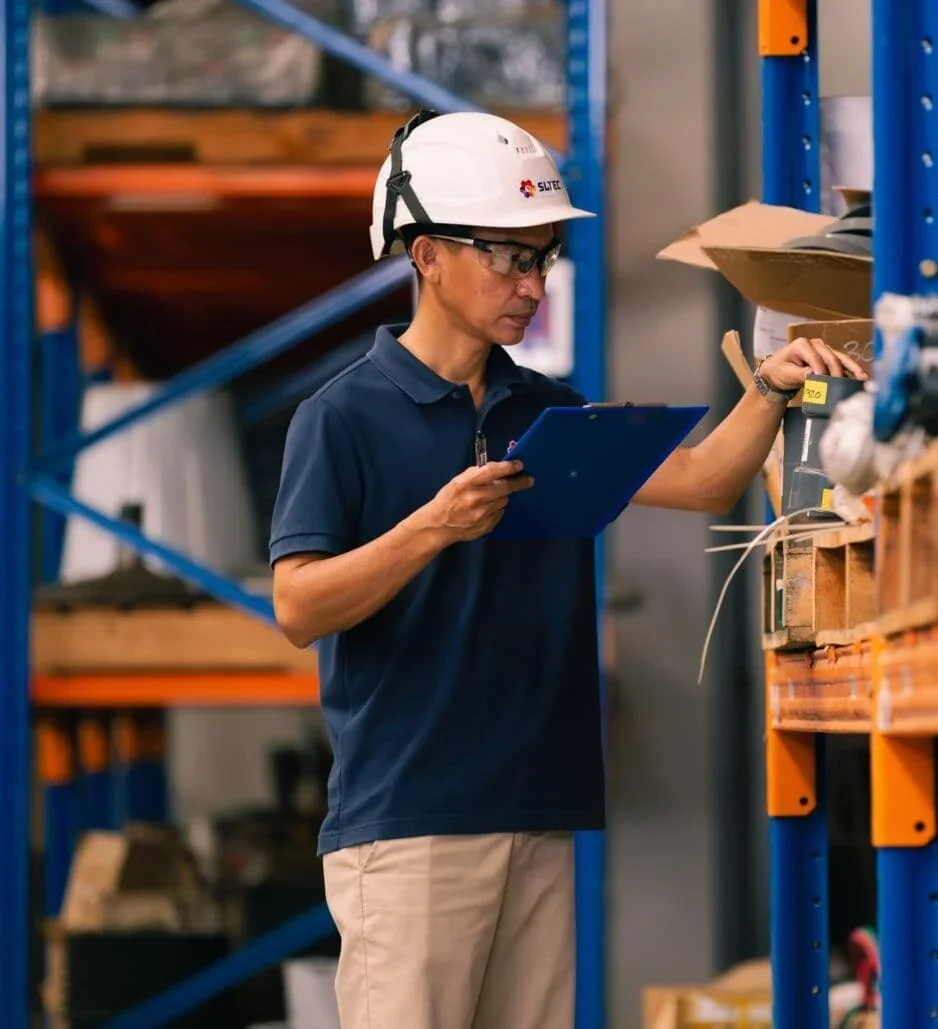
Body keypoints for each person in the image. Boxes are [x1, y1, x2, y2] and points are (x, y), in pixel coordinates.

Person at [268, 109, 866, 1029]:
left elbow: (704, 482)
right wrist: (433, 527)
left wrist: (769, 388)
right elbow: (299, 605)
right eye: (507, 256)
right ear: (425, 255)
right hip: (411, 821)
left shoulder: (542, 408)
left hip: (540, 806)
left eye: (542, 257)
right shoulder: (340, 417)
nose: (530, 282)